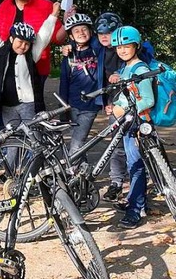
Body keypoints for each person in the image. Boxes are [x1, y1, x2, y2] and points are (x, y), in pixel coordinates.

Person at [0, 0, 60, 182]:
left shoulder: (31, 54)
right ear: (11, 38)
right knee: (12, 141)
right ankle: (9, 173)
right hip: (7, 105)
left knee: (35, 138)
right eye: (20, 41)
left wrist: (53, 15)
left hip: (29, 103)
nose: (23, 46)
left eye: (27, 43)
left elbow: (44, 36)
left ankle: (36, 174)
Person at [108, 25, 154, 229]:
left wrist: (122, 108)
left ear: (136, 45)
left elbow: (147, 100)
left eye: (127, 46)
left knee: (136, 167)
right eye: (119, 47)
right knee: (132, 164)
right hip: (129, 123)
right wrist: (116, 106)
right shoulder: (126, 68)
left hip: (139, 124)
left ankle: (135, 210)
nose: (123, 50)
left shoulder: (141, 69)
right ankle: (138, 203)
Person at [0, 0, 65, 85]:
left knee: (35, 101)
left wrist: (67, 22)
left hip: (37, 64)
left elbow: (58, 38)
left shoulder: (45, 5)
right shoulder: (5, 5)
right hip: (8, 64)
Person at [94, 12, 127, 202]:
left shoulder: (125, 49)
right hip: (114, 106)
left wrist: (118, 74)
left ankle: (143, 177)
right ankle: (116, 182)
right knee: (116, 144)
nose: (105, 36)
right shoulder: (101, 50)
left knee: (135, 145)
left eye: (109, 32)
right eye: (101, 33)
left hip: (132, 105)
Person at [59, 13, 102, 162]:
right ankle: (82, 179)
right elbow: (64, 81)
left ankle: (70, 174)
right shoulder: (69, 56)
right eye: (76, 31)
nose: (81, 33)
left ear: (90, 31)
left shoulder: (97, 50)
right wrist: (63, 107)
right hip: (73, 104)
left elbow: (98, 42)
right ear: (71, 36)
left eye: (84, 29)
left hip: (90, 104)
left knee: (77, 142)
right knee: (79, 141)